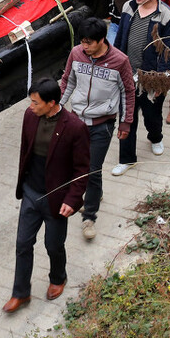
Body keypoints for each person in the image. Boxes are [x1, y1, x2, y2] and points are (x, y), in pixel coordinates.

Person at [3, 78, 90, 312]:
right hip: (31, 192)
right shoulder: (30, 117)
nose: (31, 106)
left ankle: (58, 277)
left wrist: (72, 200)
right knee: (22, 244)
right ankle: (20, 293)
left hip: (56, 197)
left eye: (36, 102)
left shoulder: (74, 127)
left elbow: (82, 170)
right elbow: (25, 150)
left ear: (52, 103)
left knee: (53, 245)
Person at [59, 16, 135, 240]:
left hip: (103, 124)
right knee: (77, 165)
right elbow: (67, 81)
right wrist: (58, 108)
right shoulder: (76, 54)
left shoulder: (120, 61)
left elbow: (127, 92)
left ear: (102, 39)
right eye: (82, 42)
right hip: (77, 121)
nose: (85, 47)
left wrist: (126, 122)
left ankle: (89, 217)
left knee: (91, 170)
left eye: (89, 43)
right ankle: (97, 193)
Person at [114, 0, 170, 170]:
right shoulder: (128, 7)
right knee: (127, 119)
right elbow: (119, 39)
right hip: (127, 75)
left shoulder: (167, 16)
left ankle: (156, 137)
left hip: (150, 78)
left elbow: (169, 53)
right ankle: (126, 159)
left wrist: (160, 80)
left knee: (152, 115)